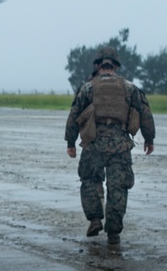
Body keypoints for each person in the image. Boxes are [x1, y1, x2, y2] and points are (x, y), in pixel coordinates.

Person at [64, 46, 156, 244]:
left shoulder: (87, 88)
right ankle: (113, 232)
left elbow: (73, 116)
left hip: (93, 144)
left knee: (90, 180)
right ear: (115, 66)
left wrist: (70, 142)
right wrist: (149, 139)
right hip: (120, 147)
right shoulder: (130, 88)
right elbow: (146, 114)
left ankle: (95, 219)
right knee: (118, 187)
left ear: (98, 66)